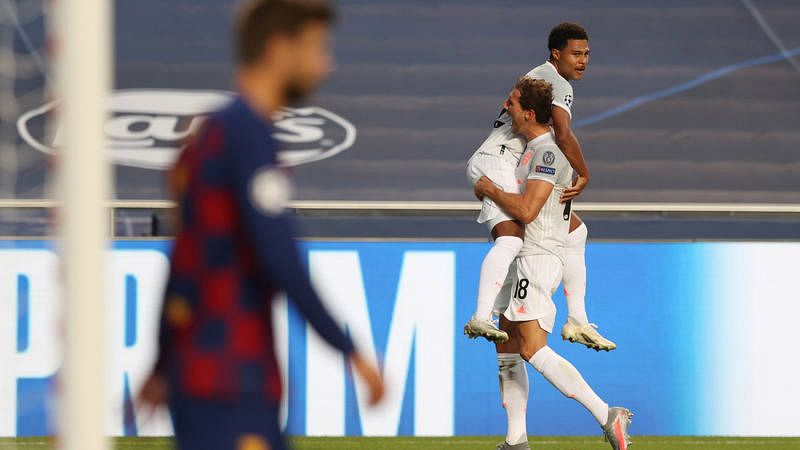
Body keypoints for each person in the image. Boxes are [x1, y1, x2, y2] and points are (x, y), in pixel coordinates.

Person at [138, 1, 384, 449]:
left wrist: (162, 362)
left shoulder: (209, 135)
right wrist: (349, 350)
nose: (326, 63)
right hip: (233, 378)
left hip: (201, 377)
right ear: (278, 49)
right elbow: (279, 256)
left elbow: (186, 265)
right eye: (315, 47)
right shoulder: (249, 136)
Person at [473, 77, 632, 450]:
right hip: (526, 256)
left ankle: (607, 415)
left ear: (529, 113)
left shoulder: (547, 153)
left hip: (538, 259)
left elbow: (528, 211)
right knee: (507, 346)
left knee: (530, 346)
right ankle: (516, 440)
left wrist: (490, 189)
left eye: (512, 103)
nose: (505, 107)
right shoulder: (532, 149)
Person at [464, 23, 615, 352]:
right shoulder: (557, 82)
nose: (583, 60)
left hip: (519, 161)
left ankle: (577, 318)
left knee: (575, 233)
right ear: (556, 54)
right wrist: (583, 172)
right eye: (576, 54)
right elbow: (561, 132)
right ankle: (481, 315)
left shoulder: (544, 75)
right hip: (499, 160)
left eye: (587, 54)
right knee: (511, 237)